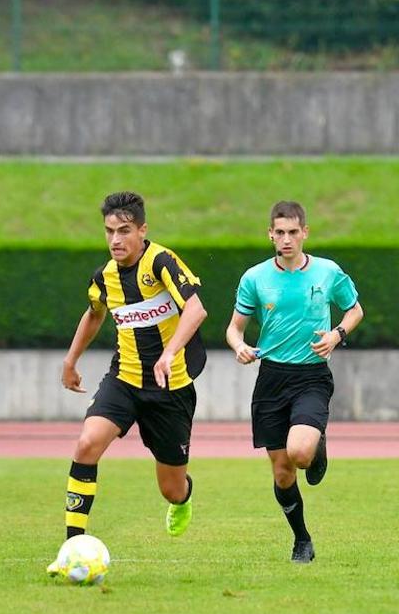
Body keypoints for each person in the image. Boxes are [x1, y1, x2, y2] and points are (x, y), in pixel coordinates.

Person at [54, 192, 207, 569]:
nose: (115, 240)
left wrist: (169, 353)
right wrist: (71, 360)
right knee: (87, 444)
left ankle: (184, 499)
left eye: (124, 231)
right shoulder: (104, 277)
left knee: (171, 489)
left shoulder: (161, 262)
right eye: (109, 232)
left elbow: (197, 309)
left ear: (142, 230)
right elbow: (94, 314)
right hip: (123, 379)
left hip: (171, 387)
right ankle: (72, 549)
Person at [225, 201, 363, 563]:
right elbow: (234, 328)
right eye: (279, 233)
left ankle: (315, 442)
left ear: (305, 233)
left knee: (299, 454)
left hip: (311, 376)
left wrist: (336, 335)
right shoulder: (254, 278)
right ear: (270, 235)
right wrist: (240, 346)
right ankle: (302, 539)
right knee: (283, 471)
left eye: (293, 232)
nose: (286, 239)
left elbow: (355, 310)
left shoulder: (327, 272)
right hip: (270, 378)